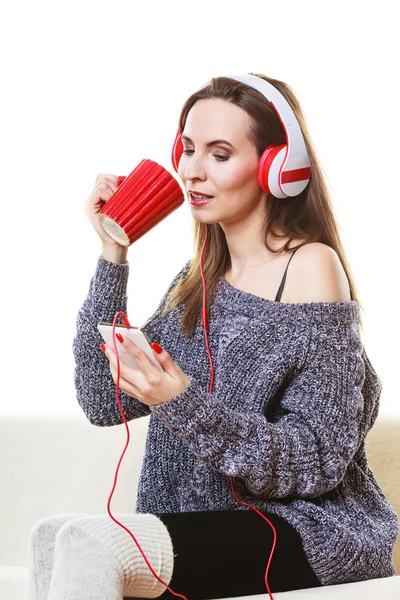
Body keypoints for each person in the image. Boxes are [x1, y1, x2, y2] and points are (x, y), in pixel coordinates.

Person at [28, 74, 399, 600]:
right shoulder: (198, 278)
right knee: (51, 536)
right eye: (187, 149)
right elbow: (101, 400)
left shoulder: (312, 268)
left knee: (91, 542)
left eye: (219, 154)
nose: (192, 172)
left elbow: (318, 458)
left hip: (304, 532)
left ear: (276, 168)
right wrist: (114, 250)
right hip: (198, 523)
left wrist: (181, 402)